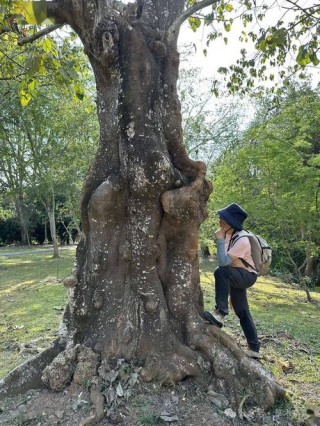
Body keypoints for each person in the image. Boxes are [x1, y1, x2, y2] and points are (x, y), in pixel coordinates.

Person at [203, 203, 262, 359]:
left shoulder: (242, 240)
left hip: (247, 276)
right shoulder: (229, 235)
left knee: (220, 272)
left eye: (224, 219)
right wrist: (222, 239)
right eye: (221, 217)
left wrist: (220, 240)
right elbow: (225, 260)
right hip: (237, 273)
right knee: (241, 309)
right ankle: (254, 347)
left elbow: (223, 263)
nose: (220, 220)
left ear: (232, 223)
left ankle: (220, 313)